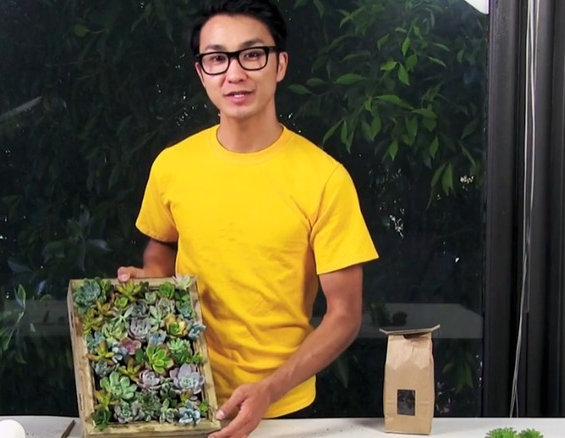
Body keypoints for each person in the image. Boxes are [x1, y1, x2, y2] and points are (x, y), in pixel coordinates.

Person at [117, 0, 379, 436]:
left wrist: (269, 390)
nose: (234, 73)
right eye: (217, 58)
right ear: (201, 72)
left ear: (280, 65)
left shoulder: (325, 179)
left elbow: (345, 315)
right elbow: (162, 243)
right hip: (182, 395)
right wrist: (153, 280)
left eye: (252, 55)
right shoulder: (172, 166)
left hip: (283, 407)